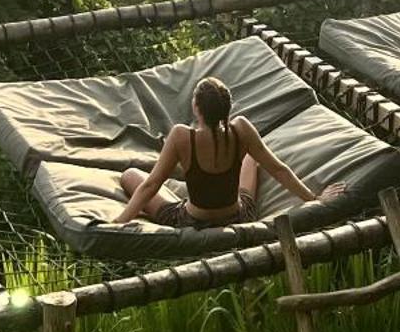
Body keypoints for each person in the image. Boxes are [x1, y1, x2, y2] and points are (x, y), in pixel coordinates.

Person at [115, 74, 341, 229]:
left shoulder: (181, 136)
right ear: (228, 108)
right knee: (253, 155)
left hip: (191, 221)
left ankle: (182, 204)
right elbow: (278, 169)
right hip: (238, 217)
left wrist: (119, 222)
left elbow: (151, 185)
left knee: (131, 175)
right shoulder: (241, 129)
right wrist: (314, 199)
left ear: (196, 107)